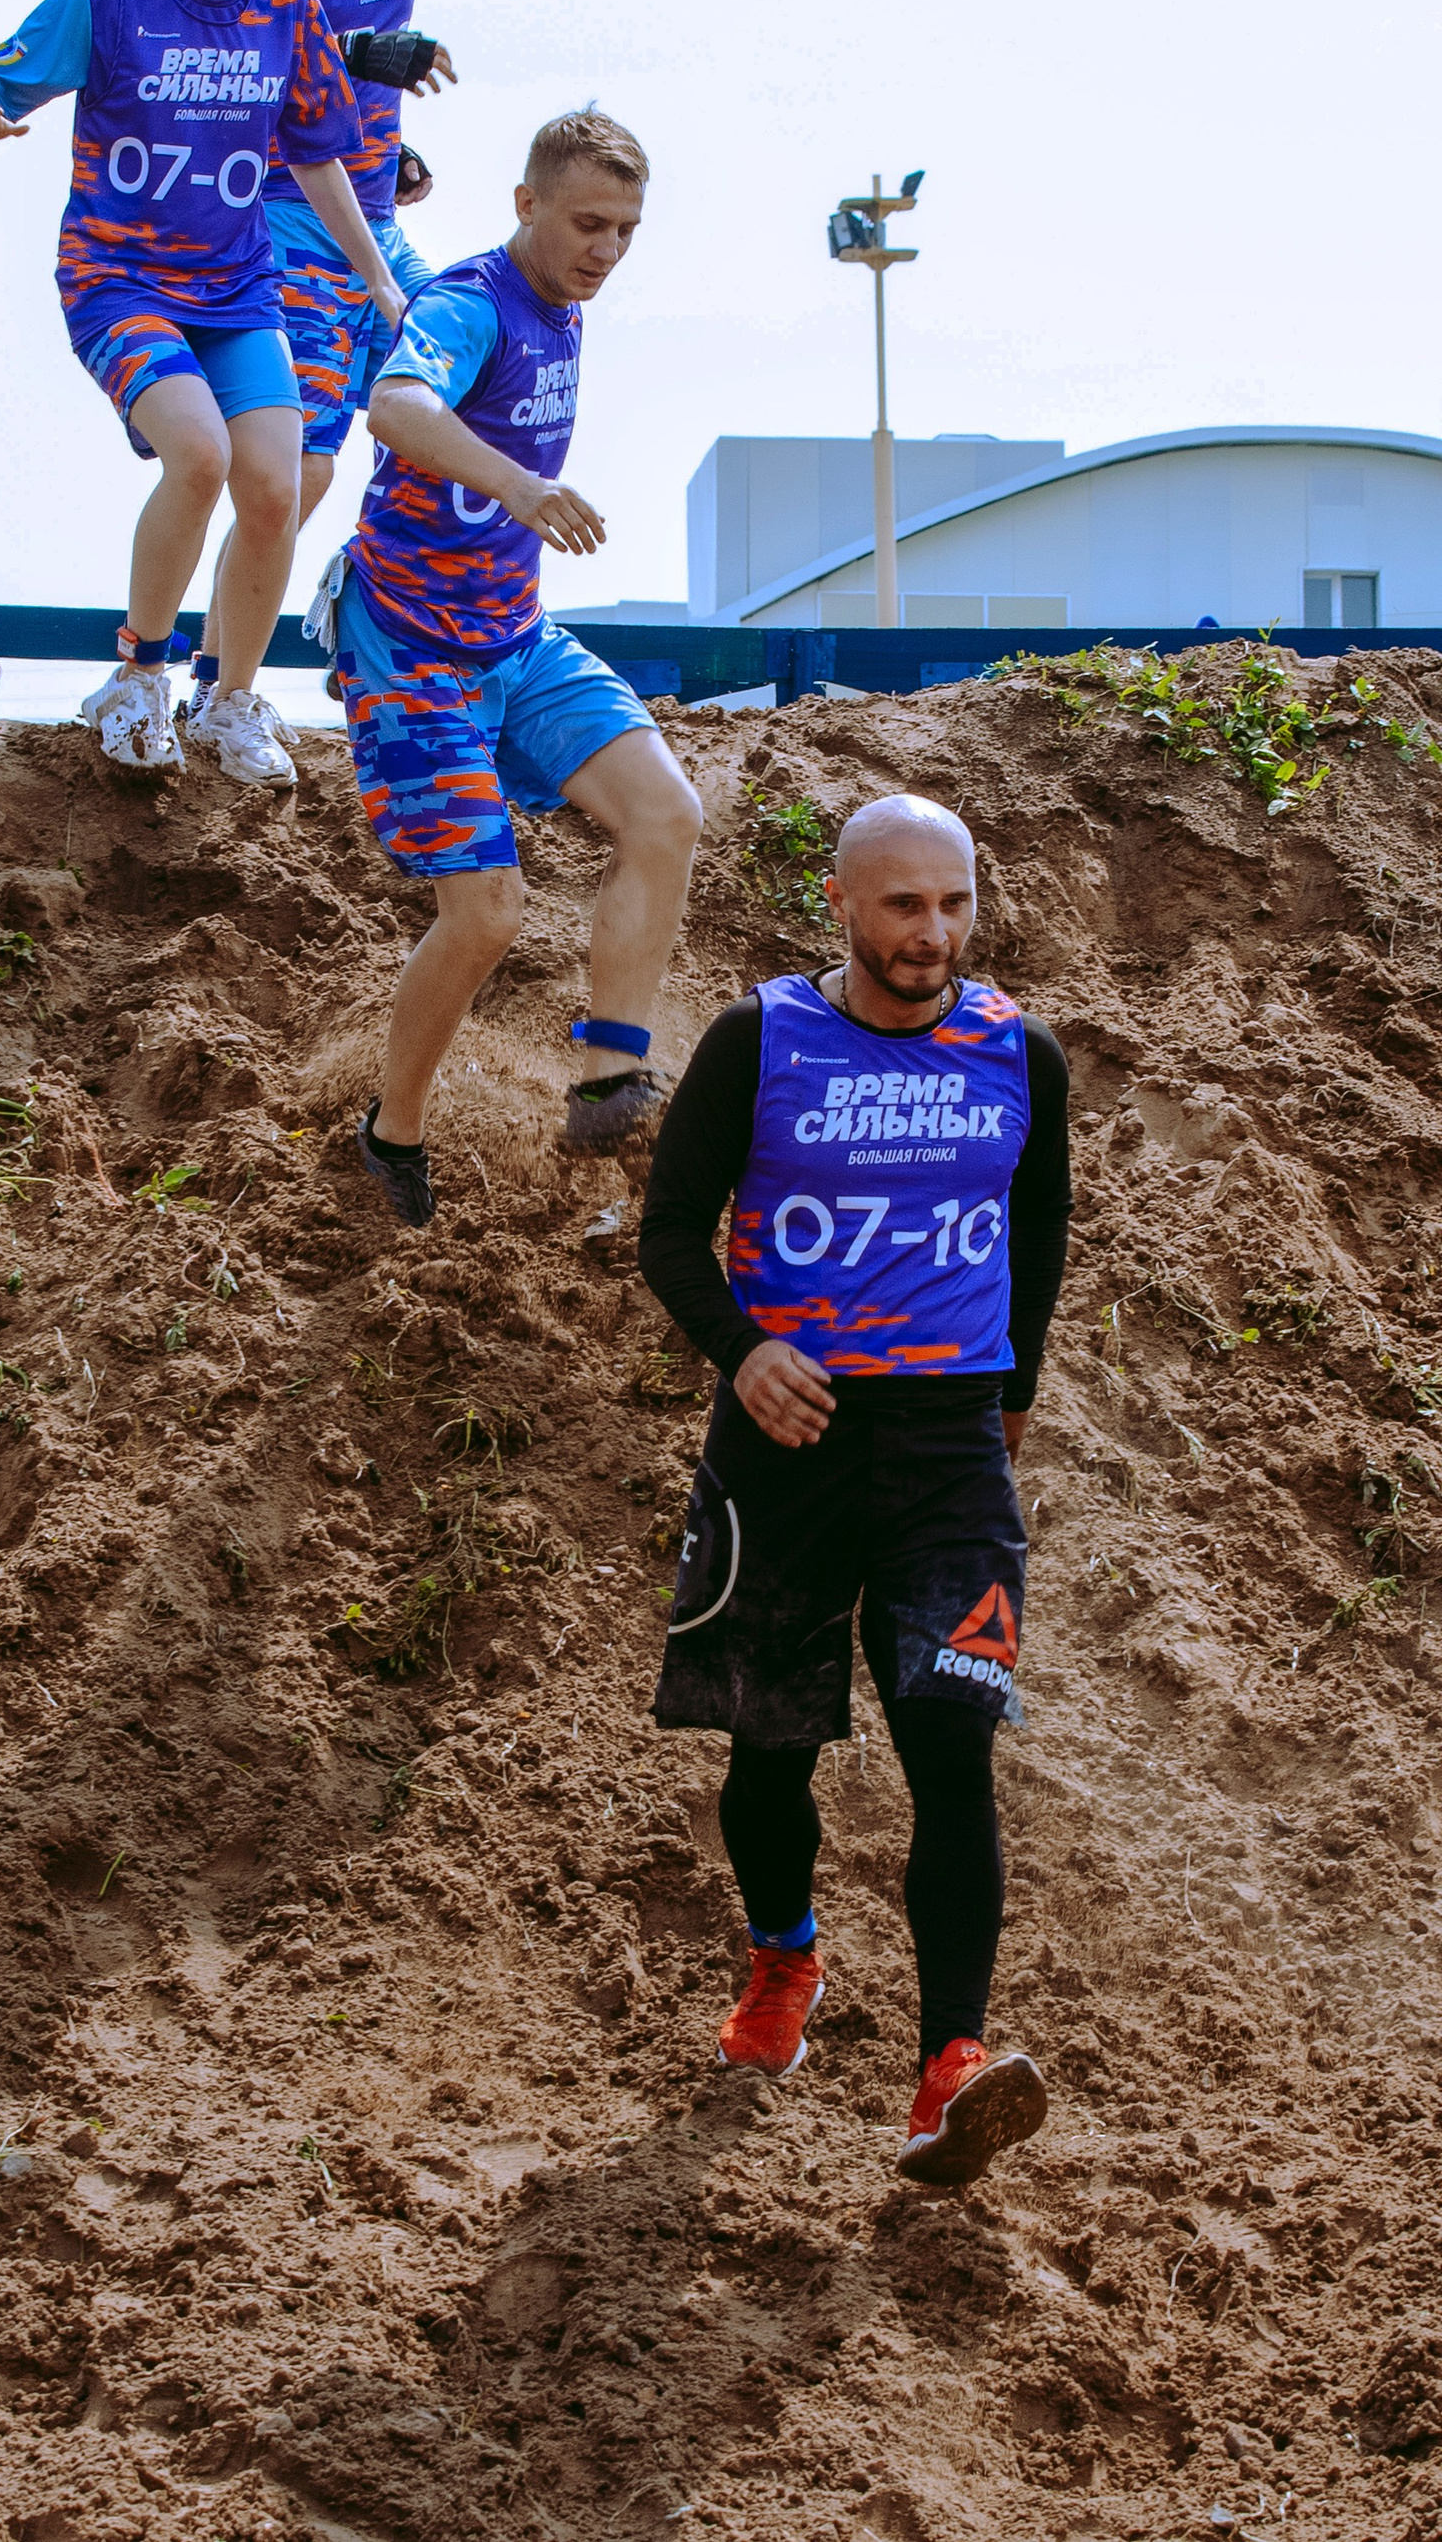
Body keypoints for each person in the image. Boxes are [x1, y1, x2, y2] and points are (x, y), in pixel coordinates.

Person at [637, 793, 1073, 2187]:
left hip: (949, 1451)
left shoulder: (1022, 1054)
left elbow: (1040, 1230)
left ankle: (951, 2067)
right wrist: (744, 1350)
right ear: (841, 902)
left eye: (952, 904)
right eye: (901, 905)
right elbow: (668, 1234)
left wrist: (1011, 1400)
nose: (929, 934)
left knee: (954, 1744)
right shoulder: (758, 1039)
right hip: (788, 1441)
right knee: (769, 1745)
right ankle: (784, 1958)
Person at [0, 0, 396, 785]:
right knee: (198, 455)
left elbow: (319, 157)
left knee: (277, 486)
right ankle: (136, 675)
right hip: (118, 278)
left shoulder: (286, 2)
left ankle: (228, 697)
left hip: (237, 288)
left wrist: (378, 277)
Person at [330, 106, 701, 1221]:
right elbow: (393, 405)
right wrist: (518, 485)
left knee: (666, 813)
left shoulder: (567, 308)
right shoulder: (469, 301)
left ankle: (608, 1074)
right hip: (409, 646)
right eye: (588, 221)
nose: (606, 249)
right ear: (525, 202)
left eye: (627, 230)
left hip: (515, 632)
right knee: (487, 913)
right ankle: (391, 1132)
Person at [190, 0, 454, 750]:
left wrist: (395, 143)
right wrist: (356, 50)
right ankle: (218, 683)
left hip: (374, 213)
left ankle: (386, 610)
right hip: (286, 216)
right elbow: (240, 39)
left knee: (455, 380)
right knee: (290, 471)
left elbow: (354, 78)